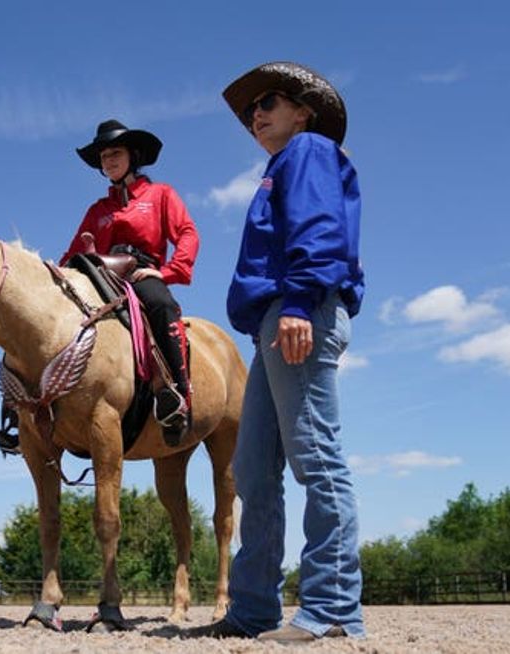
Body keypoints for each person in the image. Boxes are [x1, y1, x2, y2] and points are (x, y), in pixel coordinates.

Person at [185, 62, 366, 642]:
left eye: (268, 102)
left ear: (303, 110)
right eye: (250, 111)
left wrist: (297, 302)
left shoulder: (308, 149)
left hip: (299, 309)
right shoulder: (280, 164)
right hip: (273, 320)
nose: (255, 115)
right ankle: (252, 610)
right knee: (253, 472)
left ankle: (334, 611)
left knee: (316, 455)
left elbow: (319, 228)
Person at [60, 119, 200, 445]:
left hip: (141, 272)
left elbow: (188, 234)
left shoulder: (160, 194)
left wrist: (166, 272)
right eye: (104, 156)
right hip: (100, 276)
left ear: (132, 155)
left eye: (116, 153)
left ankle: (177, 395)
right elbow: (73, 251)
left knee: (162, 304)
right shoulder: (98, 209)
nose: (108, 160)